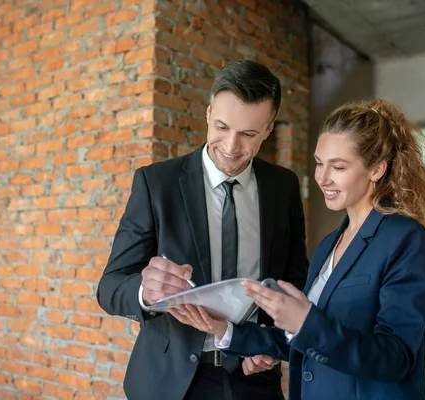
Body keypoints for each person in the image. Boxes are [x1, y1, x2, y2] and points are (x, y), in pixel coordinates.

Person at [172, 98, 425, 400]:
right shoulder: (328, 245)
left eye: (338, 167)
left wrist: (305, 323)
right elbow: (306, 336)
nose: (323, 178)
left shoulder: (407, 240)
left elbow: (396, 358)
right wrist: (226, 331)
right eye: (319, 163)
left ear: (377, 169)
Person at [96, 60, 309, 400]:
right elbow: (109, 286)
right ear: (208, 113)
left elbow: (294, 281)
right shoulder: (156, 184)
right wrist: (145, 292)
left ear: (268, 129)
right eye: (222, 126)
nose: (231, 146)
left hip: (254, 380)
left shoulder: (283, 187)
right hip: (171, 383)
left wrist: (271, 341)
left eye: (249, 134)